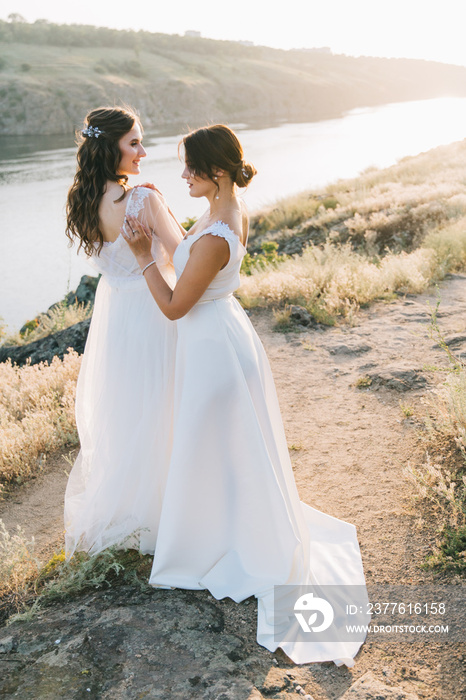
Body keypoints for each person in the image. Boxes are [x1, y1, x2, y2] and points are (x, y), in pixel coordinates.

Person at [122, 124, 368, 666]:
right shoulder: (221, 211)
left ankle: (228, 543)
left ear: (216, 172)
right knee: (226, 450)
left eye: (189, 167)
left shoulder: (215, 233)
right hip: (221, 337)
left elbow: (173, 306)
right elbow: (188, 261)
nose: (181, 175)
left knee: (214, 447)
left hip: (213, 349)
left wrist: (143, 254)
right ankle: (221, 529)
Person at [64, 106, 183, 557]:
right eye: (134, 142)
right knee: (166, 401)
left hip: (115, 316)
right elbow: (185, 256)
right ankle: (172, 504)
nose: (143, 151)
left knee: (132, 409)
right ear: (110, 144)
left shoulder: (83, 199)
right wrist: (166, 208)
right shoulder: (143, 201)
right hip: (154, 307)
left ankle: (134, 506)